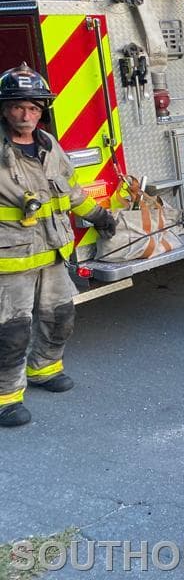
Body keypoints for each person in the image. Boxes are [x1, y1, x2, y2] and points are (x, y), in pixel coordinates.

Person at [0, 64, 117, 428]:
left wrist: (98, 215)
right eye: (18, 107)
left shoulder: (49, 145)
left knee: (60, 316)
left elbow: (71, 191)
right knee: (11, 331)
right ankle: (6, 397)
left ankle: (44, 368)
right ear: (4, 109)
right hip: (10, 260)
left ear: (42, 111)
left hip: (52, 252)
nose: (26, 115)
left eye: (33, 108)